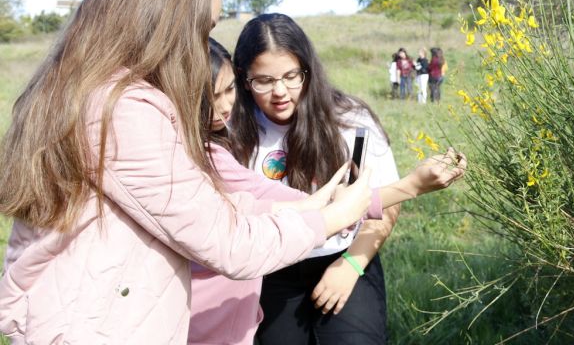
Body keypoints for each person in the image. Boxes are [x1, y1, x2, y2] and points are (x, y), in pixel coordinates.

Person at [0, 0, 374, 343]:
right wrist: (330, 220)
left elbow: (198, 203)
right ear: (164, 22)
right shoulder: (123, 110)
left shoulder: (79, 88)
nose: (202, 49)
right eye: (202, 30)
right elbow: (227, 243)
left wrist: (309, 206)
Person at [188, 37, 467, 344]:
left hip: (345, 257)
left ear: (308, 70)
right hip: (272, 267)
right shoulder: (226, 133)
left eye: (290, 76)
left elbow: (329, 206)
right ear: (245, 79)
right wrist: (411, 186)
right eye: (264, 81)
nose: (279, 91)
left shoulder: (350, 119)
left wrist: (351, 265)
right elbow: (281, 208)